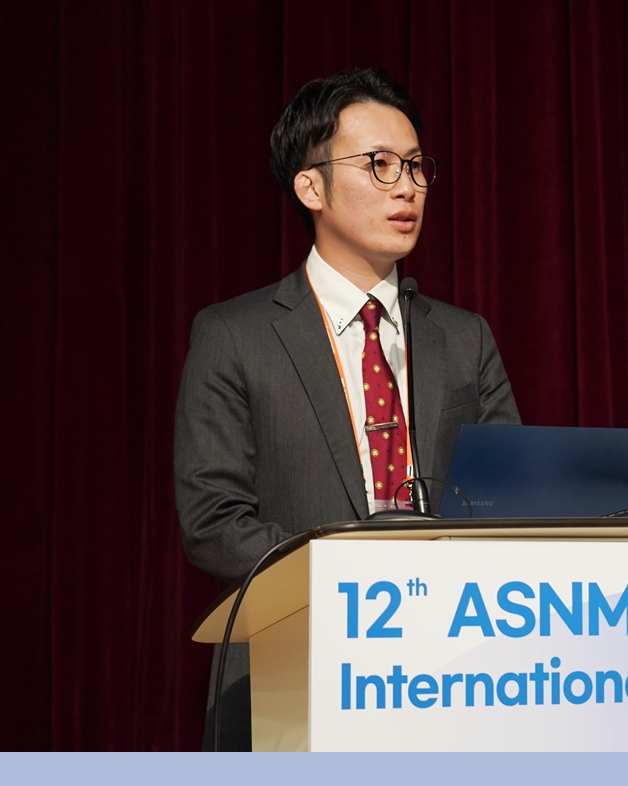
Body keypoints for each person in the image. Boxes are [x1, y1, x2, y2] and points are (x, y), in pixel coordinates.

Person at [174, 68, 520, 750]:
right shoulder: (235, 335)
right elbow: (213, 522)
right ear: (311, 187)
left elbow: (507, 501)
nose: (407, 187)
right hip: (292, 673)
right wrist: (354, 582)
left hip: (447, 676)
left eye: (416, 166)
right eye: (379, 164)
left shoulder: (463, 337)